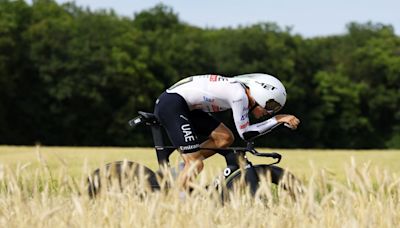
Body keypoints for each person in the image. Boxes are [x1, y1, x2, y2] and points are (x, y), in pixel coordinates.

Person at [154, 73, 300, 190]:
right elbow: (246, 133)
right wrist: (277, 120)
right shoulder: (239, 95)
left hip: (185, 105)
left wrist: (276, 119)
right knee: (196, 164)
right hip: (173, 104)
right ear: (261, 93)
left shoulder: (239, 91)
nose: (270, 112)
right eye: (271, 105)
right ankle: (171, 201)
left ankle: (182, 169)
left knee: (224, 138)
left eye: (275, 109)